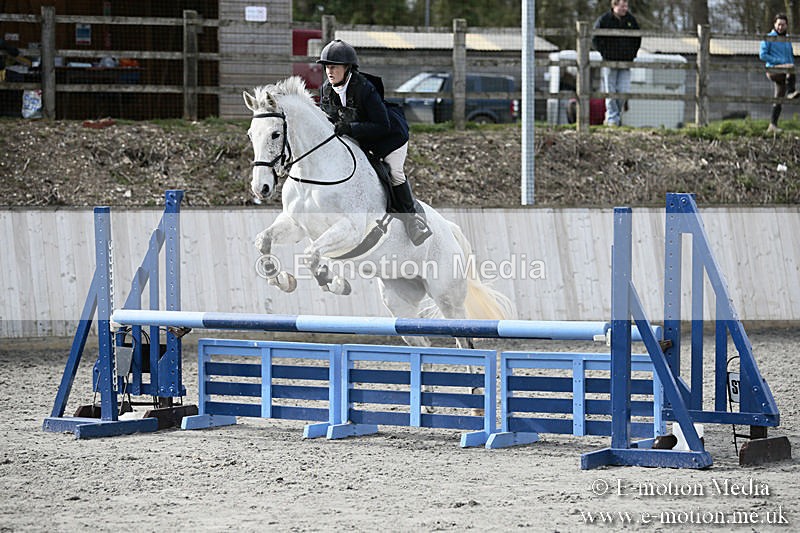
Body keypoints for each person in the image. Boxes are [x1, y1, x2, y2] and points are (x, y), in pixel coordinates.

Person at [317, 39, 432, 246]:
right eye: (327, 66)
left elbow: (382, 125)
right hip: (360, 139)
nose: (329, 71)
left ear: (347, 68)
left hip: (390, 137)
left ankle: (412, 220)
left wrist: (350, 128)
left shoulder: (364, 89)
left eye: (334, 66)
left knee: (394, 172)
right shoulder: (326, 91)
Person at [593, 0, 641, 127]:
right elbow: (595, 38)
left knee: (623, 92)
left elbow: (637, 39)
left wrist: (632, 54)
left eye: (626, 6)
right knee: (611, 91)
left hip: (626, 62)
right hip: (610, 61)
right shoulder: (604, 20)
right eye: (622, 6)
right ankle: (612, 119)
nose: (625, 8)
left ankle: (615, 116)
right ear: (614, 6)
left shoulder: (631, 20)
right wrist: (605, 53)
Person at [759, 13, 800, 133]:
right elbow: (763, 55)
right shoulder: (769, 38)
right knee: (791, 67)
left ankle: (772, 125)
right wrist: (781, 62)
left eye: (783, 25)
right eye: (778, 25)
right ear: (774, 25)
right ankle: (791, 91)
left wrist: (788, 64)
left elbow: (790, 56)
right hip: (773, 69)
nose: (780, 27)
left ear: (786, 25)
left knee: (778, 98)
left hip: (785, 72)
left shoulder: (787, 40)